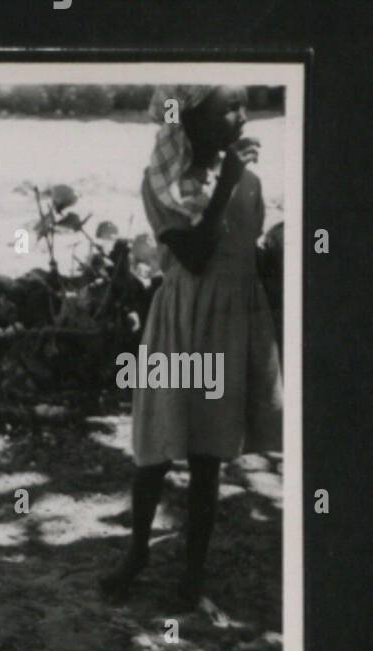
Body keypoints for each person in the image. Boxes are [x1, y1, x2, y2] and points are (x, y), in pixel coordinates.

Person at [101, 85, 283, 607]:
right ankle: (136, 553)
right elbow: (197, 256)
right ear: (190, 122)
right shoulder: (161, 183)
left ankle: (192, 577)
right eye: (229, 107)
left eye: (245, 105)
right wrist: (225, 186)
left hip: (230, 328)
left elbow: (246, 255)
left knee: (208, 458)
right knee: (156, 449)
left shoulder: (249, 182)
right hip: (178, 327)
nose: (244, 117)